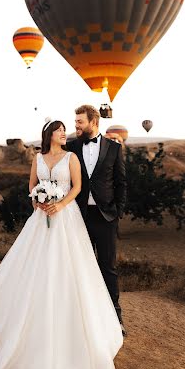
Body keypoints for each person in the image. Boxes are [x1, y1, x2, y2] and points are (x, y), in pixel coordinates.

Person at [0, 119, 123, 369]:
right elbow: (31, 188)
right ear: (49, 135)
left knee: (69, 271)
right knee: (32, 270)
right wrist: (38, 202)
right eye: (61, 130)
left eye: (66, 130)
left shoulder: (72, 157)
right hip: (40, 219)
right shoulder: (38, 158)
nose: (65, 133)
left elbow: (77, 188)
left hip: (66, 219)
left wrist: (59, 205)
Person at [66, 105, 127, 336]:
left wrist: (117, 212)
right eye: (75, 121)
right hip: (77, 217)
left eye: (80, 121)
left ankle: (116, 319)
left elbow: (121, 182)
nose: (76, 125)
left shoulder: (113, 148)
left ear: (94, 121)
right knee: (80, 269)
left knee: (108, 268)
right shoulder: (71, 148)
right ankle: (83, 322)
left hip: (105, 217)